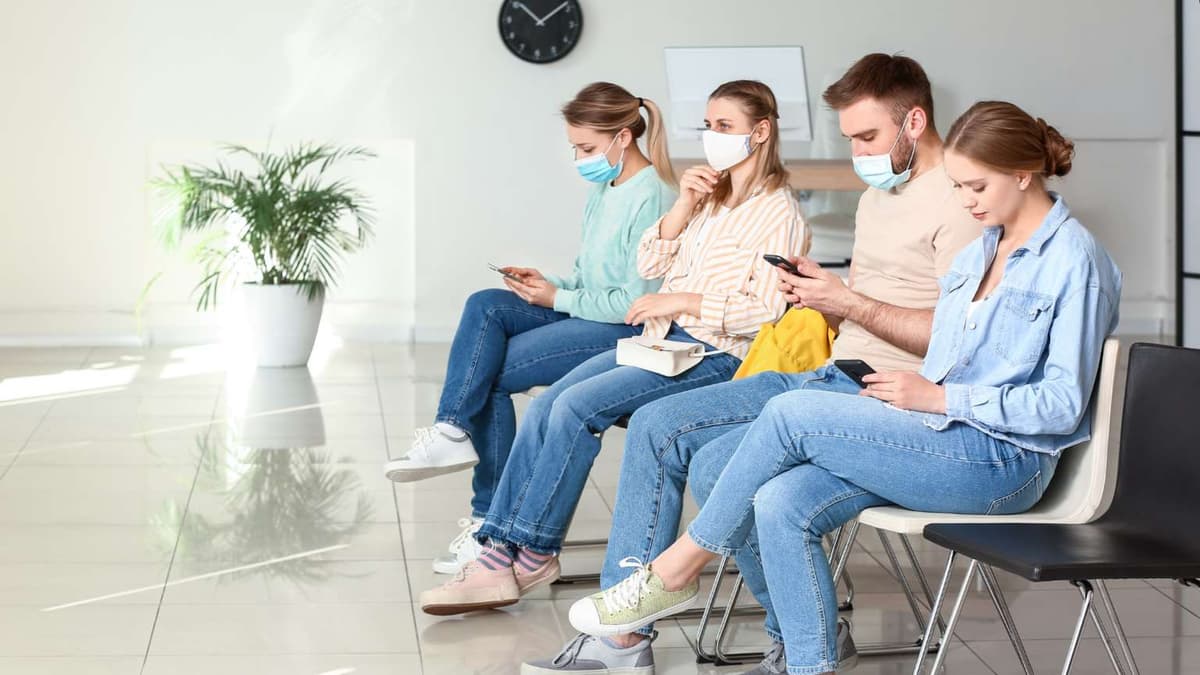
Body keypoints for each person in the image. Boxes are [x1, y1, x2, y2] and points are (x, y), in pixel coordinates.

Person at [572, 100, 1123, 675]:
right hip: (939, 431)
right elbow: (953, 358)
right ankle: (809, 663)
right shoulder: (985, 246)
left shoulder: (1074, 262)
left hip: (1001, 461)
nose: (966, 200)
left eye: (976, 186)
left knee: (791, 413)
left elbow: (1061, 406)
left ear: (1023, 173)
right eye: (958, 186)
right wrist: (909, 391)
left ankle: (675, 571)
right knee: (779, 500)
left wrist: (940, 397)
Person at [520, 52, 983, 675]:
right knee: (660, 427)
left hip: (887, 391)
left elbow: (960, 342)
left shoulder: (962, 202)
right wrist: (822, 298)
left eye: (868, 137)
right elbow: (869, 307)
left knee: (713, 462)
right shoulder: (878, 198)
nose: (857, 154)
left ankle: (698, 622)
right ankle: (646, 632)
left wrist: (845, 302)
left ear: (915, 121)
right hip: (833, 369)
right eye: (850, 138)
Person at [419, 80, 807, 616]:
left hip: (717, 356)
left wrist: (682, 300)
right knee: (551, 402)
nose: (712, 136)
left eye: (725, 126)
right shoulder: (711, 201)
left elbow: (765, 310)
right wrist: (685, 206)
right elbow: (650, 263)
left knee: (576, 408)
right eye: (708, 125)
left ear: (759, 132)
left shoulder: (780, 212)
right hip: (665, 342)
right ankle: (498, 551)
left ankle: (531, 552)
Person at [382, 82, 677, 574]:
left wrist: (557, 300)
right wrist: (549, 284)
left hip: (623, 332)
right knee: (487, 304)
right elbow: (589, 277)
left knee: (488, 375)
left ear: (623, 137)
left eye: (586, 147)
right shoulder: (604, 190)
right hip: (586, 311)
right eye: (575, 148)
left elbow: (635, 302)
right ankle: (451, 429)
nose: (579, 158)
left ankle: (488, 525)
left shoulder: (654, 196)